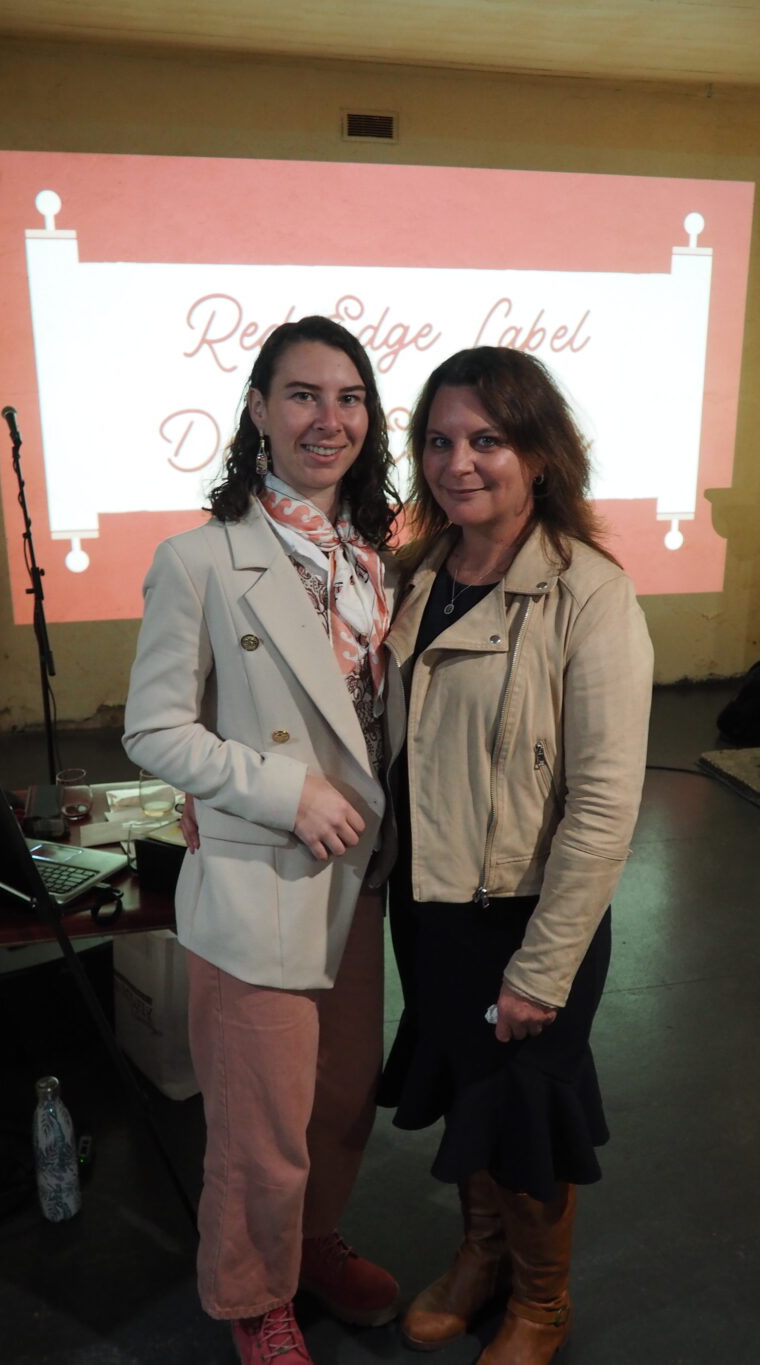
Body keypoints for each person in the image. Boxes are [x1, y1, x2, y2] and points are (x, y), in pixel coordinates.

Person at [123, 316, 403, 1365]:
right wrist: (282, 792)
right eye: (301, 395)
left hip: (358, 879)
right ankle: (252, 1295)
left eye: (349, 398)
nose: (327, 420)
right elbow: (153, 729)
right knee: (257, 1126)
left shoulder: (377, 561)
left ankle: (310, 1244)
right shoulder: (199, 560)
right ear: (256, 411)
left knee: (336, 1101)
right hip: (262, 873)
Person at [379, 346, 653, 1364]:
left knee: (528, 1110)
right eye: (440, 441)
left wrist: (544, 966)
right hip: (433, 902)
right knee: (464, 1087)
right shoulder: (419, 575)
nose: (460, 463)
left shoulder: (589, 594)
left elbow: (604, 806)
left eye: (487, 439)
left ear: (538, 453)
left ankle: (542, 1300)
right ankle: (481, 1255)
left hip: (528, 912)